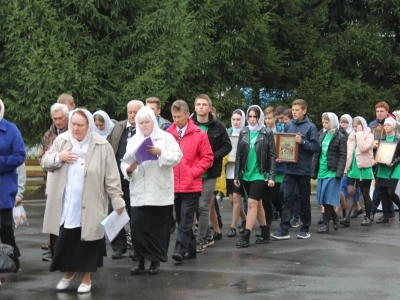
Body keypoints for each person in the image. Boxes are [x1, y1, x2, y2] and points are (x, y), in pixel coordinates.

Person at [41, 108, 126, 293]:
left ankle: (86, 278)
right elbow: (45, 161)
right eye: (73, 124)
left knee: (88, 242)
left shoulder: (101, 146)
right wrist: (59, 157)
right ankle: (69, 273)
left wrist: (117, 200)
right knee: (68, 240)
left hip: (91, 203)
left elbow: (111, 176)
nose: (76, 128)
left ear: (89, 126)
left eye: (80, 125)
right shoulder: (62, 141)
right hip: (67, 203)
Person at [120, 106, 182, 275]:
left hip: (159, 192)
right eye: (141, 123)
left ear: (153, 122)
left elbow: (177, 156)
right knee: (138, 226)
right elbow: (124, 162)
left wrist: (160, 152)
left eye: (147, 122)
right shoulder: (133, 140)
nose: (144, 125)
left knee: (157, 229)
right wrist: (129, 170)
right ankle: (139, 260)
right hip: (139, 191)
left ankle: (155, 260)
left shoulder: (166, 137)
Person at [166, 100, 213, 262]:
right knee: (180, 218)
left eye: (179, 116)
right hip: (174, 184)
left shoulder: (199, 134)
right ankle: (191, 248)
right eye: (174, 117)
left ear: (187, 115)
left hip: (191, 185)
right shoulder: (168, 133)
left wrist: (193, 172)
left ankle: (179, 249)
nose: (176, 120)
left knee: (186, 219)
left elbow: (208, 158)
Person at [271, 99, 320, 240]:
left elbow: (316, 148)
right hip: (289, 169)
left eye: (297, 110)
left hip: (303, 170)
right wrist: (281, 156)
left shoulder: (311, 127)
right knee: (286, 198)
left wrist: (302, 142)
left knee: (304, 199)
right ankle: (284, 229)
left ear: (304, 111)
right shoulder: (288, 125)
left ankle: (305, 228)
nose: (294, 112)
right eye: (293, 110)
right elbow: (285, 145)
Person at [191, 94, 232, 253]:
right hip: (192, 172)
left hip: (209, 173)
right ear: (194, 107)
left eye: (204, 104)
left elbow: (227, 146)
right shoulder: (189, 125)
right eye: (198, 104)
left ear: (209, 107)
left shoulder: (218, 126)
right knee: (194, 205)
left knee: (203, 205)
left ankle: (200, 240)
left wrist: (212, 157)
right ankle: (207, 234)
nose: (201, 107)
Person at [234, 105, 276, 247]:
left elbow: (271, 155)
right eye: (250, 116)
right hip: (246, 174)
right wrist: (236, 175)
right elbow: (239, 155)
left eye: (255, 117)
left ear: (260, 117)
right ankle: (265, 232)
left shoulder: (266, 132)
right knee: (258, 205)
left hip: (260, 174)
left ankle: (246, 235)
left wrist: (271, 176)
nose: (252, 120)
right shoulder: (244, 132)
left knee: (252, 203)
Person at [107, 100, 144, 259]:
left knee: (135, 213)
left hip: (136, 178)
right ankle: (118, 246)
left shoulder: (144, 128)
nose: (132, 115)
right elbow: (109, 147)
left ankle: (137, 247)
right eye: (130, 112)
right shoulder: (118, 127)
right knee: (114, 211)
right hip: (117, 178)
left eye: (136, 112)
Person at [38, 103, 70, 262]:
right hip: (53, 177)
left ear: (67, 117)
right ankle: (54, 252)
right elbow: (42, 157)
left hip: (69, 180)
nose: (58, 122)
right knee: (54, 217)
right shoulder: (49, 134)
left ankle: (67, 253)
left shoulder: (74, 131)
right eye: (55, 119)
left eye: (61, 118)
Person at [0, 99, 25, 271]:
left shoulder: (11, 129)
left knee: (5, 228)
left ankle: (12, 259)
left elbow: (19, 155)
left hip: (4, 186)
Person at [311, 113, 347, 233]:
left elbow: (342, 156)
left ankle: (325, 225)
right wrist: (314, 170)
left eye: (327, 122)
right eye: (323, 122)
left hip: (332, 171)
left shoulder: (341, 137)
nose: (324, 124)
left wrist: (339, 172)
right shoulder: (321, 135)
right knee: (323, 199)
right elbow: (317, 153)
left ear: (333, 122)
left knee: (328, 199)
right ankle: (335, 217)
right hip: (322, 170)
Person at [340, 116, 375, 227]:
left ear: (362, 125)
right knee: (350, 192)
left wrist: (360, 133)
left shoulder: (369, 135)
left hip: (364, 169)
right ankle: (346, 218)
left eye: (357, 126)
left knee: (365, 194)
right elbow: (348, 154)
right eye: (354, 126)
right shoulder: (351, 136)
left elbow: (363, 147)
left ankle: (368, 217)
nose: (354, 128)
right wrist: (346, 168)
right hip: (353, 169)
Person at [374, 117, 400, 224]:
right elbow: (380, 153)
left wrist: (394, 162)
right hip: (383, 167)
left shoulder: (398, 139)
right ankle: (385, 217)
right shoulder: (382, 139)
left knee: (390, 192)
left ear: (394, 127)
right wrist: (377, 158)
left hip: (394, 167)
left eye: (388, 125)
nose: (386, 127)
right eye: (385, 125)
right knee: (383, 193)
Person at [226, 109, 247, 237]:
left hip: (239, 171)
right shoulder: (227, 133)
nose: (236, 122)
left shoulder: (246, 133)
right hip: (228, 170)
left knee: (236, 198)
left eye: (238, 119)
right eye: (234, 119)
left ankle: (233, 226)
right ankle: (244, 220)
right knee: (232, 201)